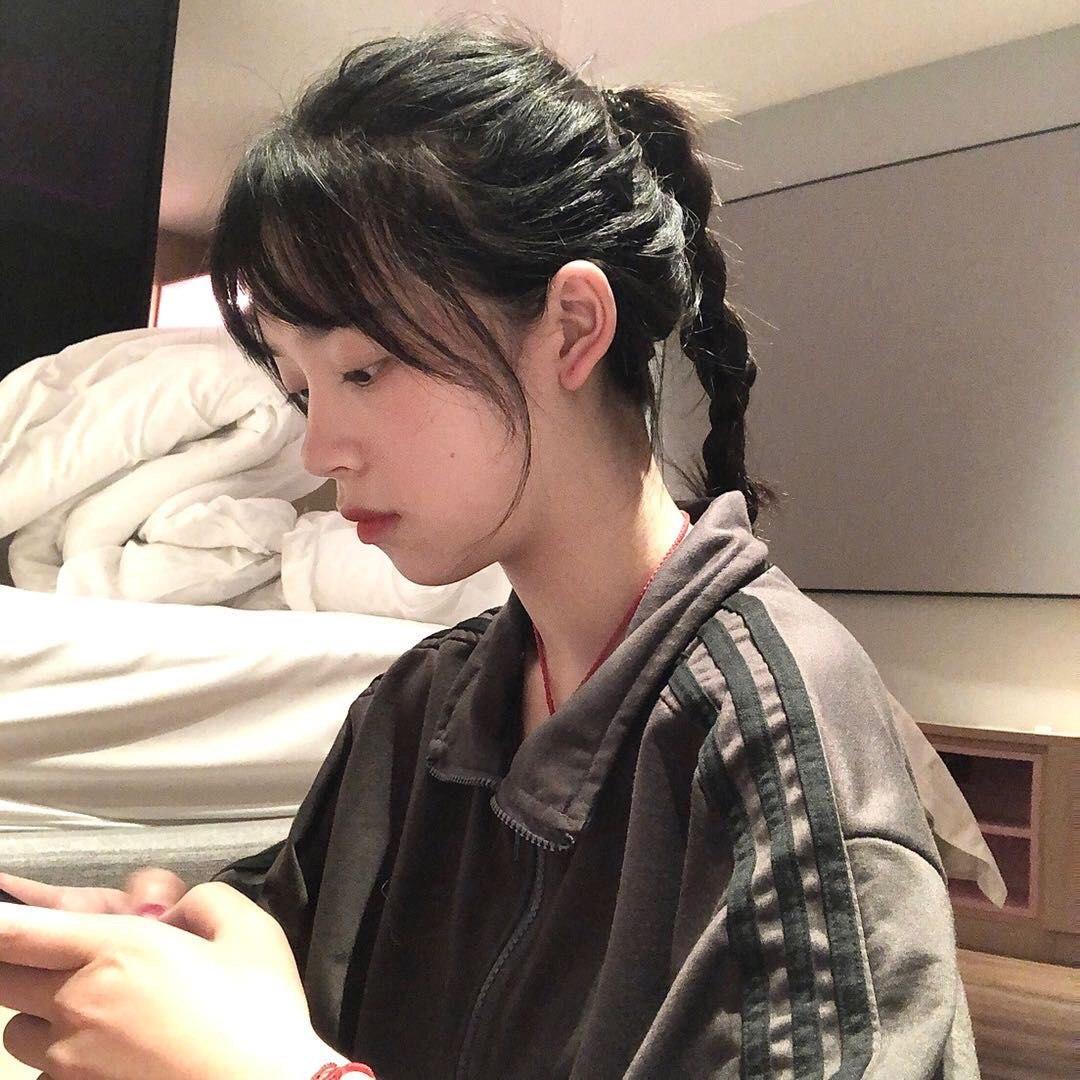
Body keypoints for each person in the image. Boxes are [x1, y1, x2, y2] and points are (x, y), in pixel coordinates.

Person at [0, 26, 979, 1080]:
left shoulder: (774, 747)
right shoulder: (420, 708)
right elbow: (294, 940)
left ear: (571, 328)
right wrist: (174, 946)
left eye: (363, 371)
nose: (321, 450)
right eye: (299, 388)